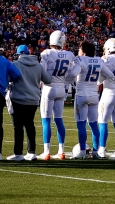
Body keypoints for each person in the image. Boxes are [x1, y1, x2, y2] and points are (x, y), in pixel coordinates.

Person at [6, 44, 51, 161]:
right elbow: (48, 80)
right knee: (30, 125)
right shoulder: (38, 65)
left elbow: (9, 79)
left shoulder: (15, 64)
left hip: (18, 98)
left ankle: (18, 153)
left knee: (18, 126)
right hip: (33, 99)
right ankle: (31, 152)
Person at [39, 30, 78, 160]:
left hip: (49, 88)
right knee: (59, 119)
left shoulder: (47, 53)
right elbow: (72, 73)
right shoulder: (69, 54)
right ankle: (61, 151)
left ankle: (47, 152)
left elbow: (41, 71)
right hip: (62, 89)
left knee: (46, 120)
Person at [71, 41, 114, 159]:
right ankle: (96, 151)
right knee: (94, 124)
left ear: (83, 50)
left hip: (81, 95)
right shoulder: (99, 61)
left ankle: (82, 152)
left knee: (81, 124)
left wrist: (68, 80)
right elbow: (110, 75)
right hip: (94, 95)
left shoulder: (80, 60)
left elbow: (73, 73)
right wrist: (98, 81)